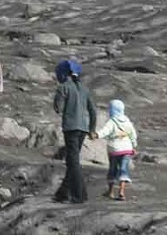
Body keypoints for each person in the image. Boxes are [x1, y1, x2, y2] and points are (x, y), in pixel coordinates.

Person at [52, 59, 98, 204]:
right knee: (73, 160)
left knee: (73, 162)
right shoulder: (85, 89)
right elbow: (93, 111)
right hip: (83, 128)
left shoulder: (64, 87)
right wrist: (92, 129)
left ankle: (79, 195)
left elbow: (58, 108)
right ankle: (63, 193)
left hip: (71, 128)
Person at [96, 98, 138, 201]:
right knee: (123, 169)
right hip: (127, 149)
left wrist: (97, 135)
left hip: (114, 150)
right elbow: (133, 135)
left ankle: (110, 192)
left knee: (113, 169)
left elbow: (105, 131)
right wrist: (134, 146)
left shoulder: (112, 121)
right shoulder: (127, 122)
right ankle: (121, 192)